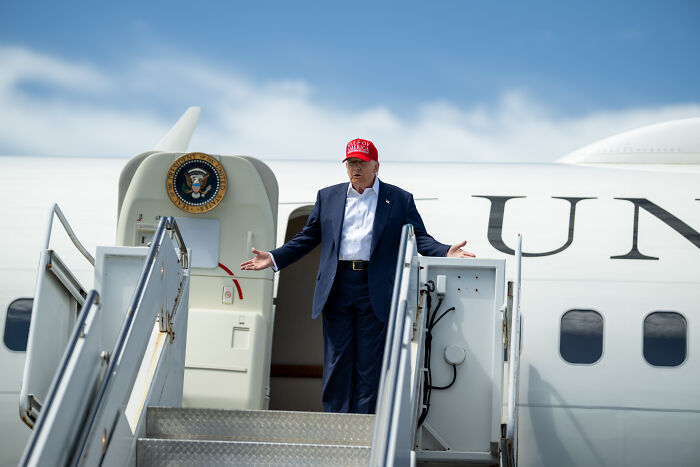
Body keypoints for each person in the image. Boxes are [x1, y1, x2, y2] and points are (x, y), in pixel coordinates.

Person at [240, 138, 474, 414]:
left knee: (369, 362)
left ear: (376, 166)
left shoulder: (399, 199)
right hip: (337, 285)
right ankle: (334, 422)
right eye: (351, 163)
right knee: (337, 359)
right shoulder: (328, 196)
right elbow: (308, 237)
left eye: (361, 163)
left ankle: (363, 426)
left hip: (373, 287)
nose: (356, 168)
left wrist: (445, 251)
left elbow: (419, 238)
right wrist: (275, 256)